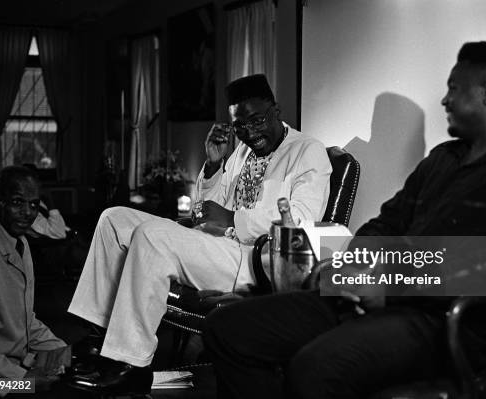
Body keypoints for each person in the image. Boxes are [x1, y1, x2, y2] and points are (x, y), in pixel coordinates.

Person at [202, 42, 486, 398]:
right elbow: (386, 222)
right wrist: (350, 266)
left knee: (314, 368)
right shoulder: (442, 160)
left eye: (455, 88)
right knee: (228, 328)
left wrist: (391, 283)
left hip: (442, 325)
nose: (445, 99)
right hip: (375, 299)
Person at [67, 74, 332, 393]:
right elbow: (210, 206)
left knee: (153, 236)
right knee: (115, 218)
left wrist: (233, 218)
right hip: (215, 244)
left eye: (257, 119)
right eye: (240, 126)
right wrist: (212, 165)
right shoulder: (243, 151)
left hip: (251, 259)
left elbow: (301, 222)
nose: (250, 131)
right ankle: (102, 339)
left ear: (276, 110)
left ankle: (131, 364)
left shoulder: (307, 151)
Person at [0, 166, 70, 394]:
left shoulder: (20, 241)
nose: (28, 213)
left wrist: (62, 350)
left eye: (33, 204)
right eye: (18, 202)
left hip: (9, 367)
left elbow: (23, 320)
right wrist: (22, 379)